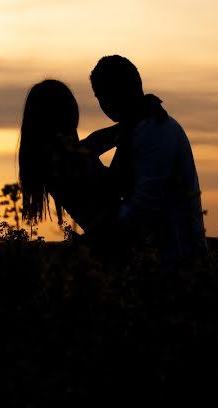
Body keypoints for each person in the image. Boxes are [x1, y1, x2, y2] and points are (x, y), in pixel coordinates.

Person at [90, 55, 208, 268]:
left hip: (177, 264)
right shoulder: (136, 129)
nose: (102, 104)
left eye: (101, 95)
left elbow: (144, 205)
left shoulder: (153, 131)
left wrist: (97, 238)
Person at [18, 79, 122, 247]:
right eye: (66, 103)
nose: (73, 108)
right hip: (111, 238)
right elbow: (113, 184)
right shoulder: (61, 159)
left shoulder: (52, 158)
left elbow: (97, 141)